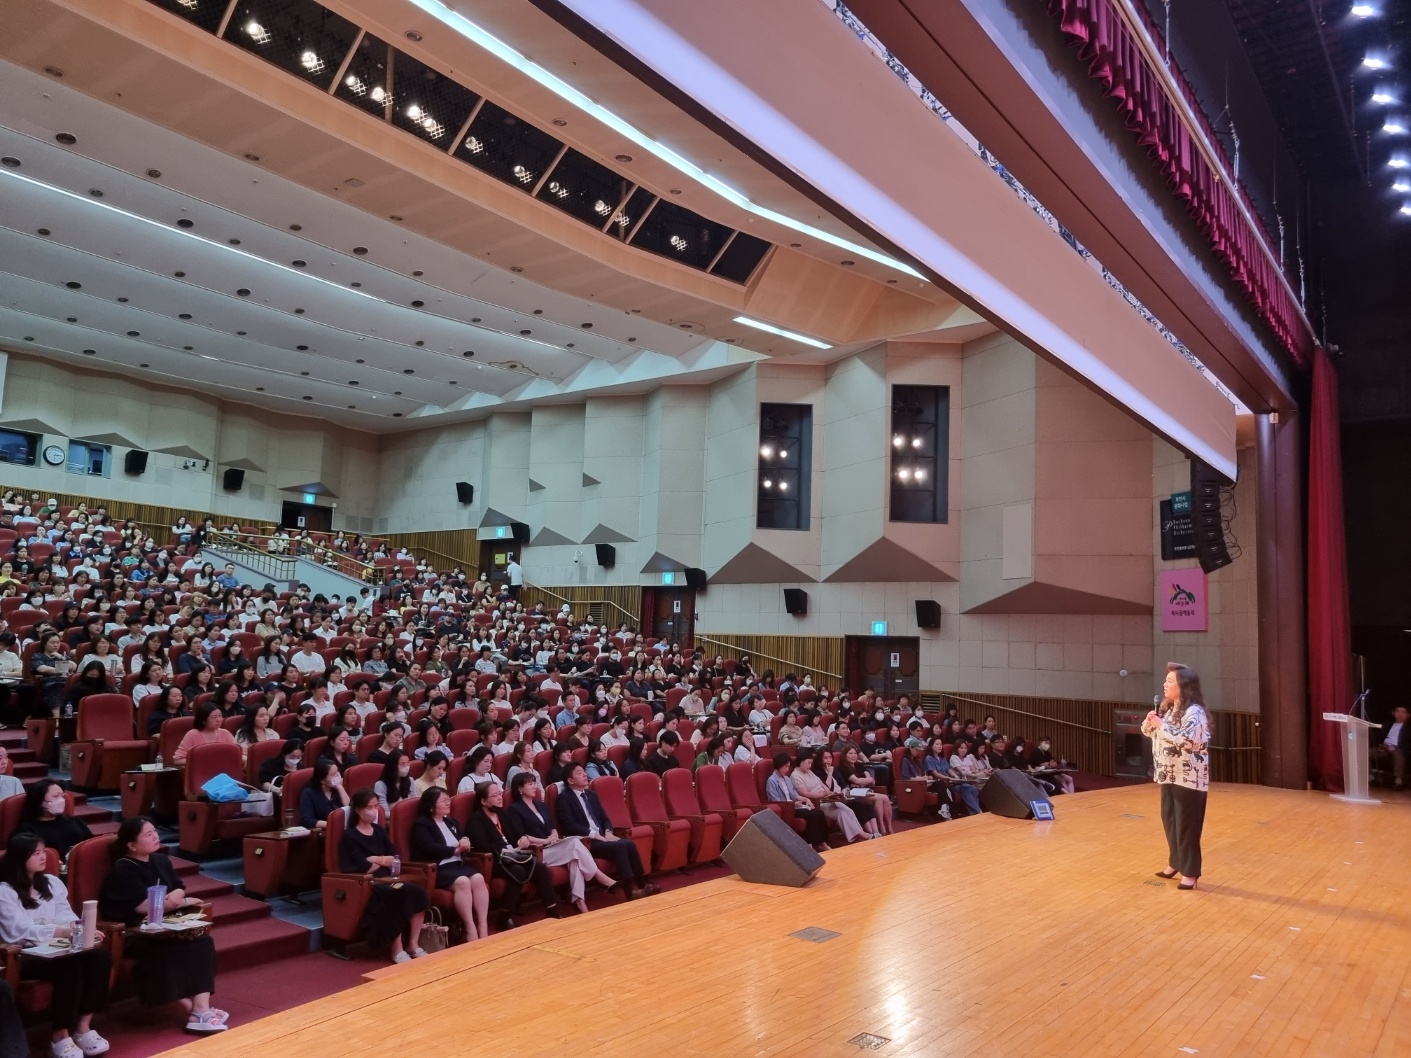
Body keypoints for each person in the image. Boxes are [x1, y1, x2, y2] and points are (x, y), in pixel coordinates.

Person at [98, 817, 226, 1033]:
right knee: (168, 949)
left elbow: (178, 886)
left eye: (155, 831)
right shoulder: (124, 868)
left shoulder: (161, 860)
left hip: (165, 927)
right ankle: (194, 1010)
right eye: (148, 834)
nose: (155, 836)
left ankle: (201, 1009)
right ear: (132, 845)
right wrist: (182, 902)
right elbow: (143, 907)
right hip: (134, 932)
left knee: (203, 941)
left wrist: (176, 897)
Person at [0, 833, 112, 1057]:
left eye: (44, 851)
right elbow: (18, 931)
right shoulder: (5, 891)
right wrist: (58, 930)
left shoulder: (51, 882)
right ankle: (60, 1035)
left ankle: (83, 1026)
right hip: (25, 954)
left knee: (100, 957)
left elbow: (65, 914)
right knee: (66, 967)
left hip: (57, 946)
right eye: (36, 853)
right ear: (20, 858)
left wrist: (80, 930)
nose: (43, 857)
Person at [502, 772, 616, 915]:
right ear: (520, 789)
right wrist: (545, 841)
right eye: (530, 784)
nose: (534, 787)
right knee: (574, 844)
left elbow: (552, 827)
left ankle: (580, 902)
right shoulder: (515, 809)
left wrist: (554, 835)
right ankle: (598, 876)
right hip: (537, 852)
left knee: (575, 856)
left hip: (553, 846)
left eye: (534, 783)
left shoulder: (541, 805)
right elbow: (521, 836)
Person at [339, 789, 429, 963]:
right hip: (370, 883)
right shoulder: (350, 836)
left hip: (390, 879)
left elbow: (394, 858)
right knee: (397, 895)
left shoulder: (379, 831)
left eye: (375, 806)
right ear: (358, 810)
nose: (373, 810)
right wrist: (381, 861)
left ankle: (413, 944)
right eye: (369, 807)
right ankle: (397, 949)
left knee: (418, 892)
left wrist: (376, 858)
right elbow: (363, 866)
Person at [1143, 662, 1211, 890]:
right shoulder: (1170, 709)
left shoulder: (1195, 713)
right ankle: (1175, 862)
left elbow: (1186, 740)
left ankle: (1190, 872)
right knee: (1170, 821)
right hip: (1168, 774)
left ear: (1184, 687)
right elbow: (1150, 732)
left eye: (1170, 681)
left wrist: (1161, 726)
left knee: (1186, 826)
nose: (1165, 684)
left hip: (1189, 777)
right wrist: (1151, 722)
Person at [464, 780, 560, 929]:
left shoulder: (503, 814)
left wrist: (521, 838)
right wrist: (502, 851)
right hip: (495, 859)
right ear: (483, 801)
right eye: (494, 795)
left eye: (500, 794)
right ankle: (505, 916)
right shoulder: (476, 819)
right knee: (517, 871)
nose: (500, 798)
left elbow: (517, 833)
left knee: (540, 868)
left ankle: (552, 909)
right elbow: (481, 844)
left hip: (514, 856)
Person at [555, 763, 659, 899]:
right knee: (620, 846)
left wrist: (608, 832)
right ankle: (630, 892)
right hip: (585, 842)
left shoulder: (591, 795)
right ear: (570, 780)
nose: (585, 774)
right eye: (579, 773)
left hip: (602, 838)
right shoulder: (564, 799)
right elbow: (570, 826)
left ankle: (641, 885)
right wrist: (596, 835)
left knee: (629, 843)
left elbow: (604, 818)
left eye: (583, 772)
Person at [408, 788, 490, 940]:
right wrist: (454, 850)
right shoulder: (421, 825)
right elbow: (428, 847)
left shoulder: (451, 821)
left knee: (478, 878)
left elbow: (462, 837)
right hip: (438, 868)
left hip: (457, 865)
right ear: (431, 806)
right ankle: (470, 927)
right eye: (443, 800)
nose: (448, 803)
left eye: (448, 799)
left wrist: (465, 840)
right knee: (463, 882)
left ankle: (483, 925)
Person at [791, 750, 870, 842]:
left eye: (811, 763)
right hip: (817, 801)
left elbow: (822, 784)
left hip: (826, 798)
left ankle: (860, 834)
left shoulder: (809, 772)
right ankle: (861, 835)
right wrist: (822, 794)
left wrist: (829, 793)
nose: (809, 766)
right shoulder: (795, 775)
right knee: (841, 813)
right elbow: (804, 793)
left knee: (848, 810)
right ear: (801, 761)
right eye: (808, 763)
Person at [764, 753, 830, 852]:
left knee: (819, 812)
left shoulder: (786, 778)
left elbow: (794, 795)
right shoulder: (772, 781)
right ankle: (809, 845)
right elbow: (775, 800)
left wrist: (806, 800)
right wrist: (793, 804)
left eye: (788, 767)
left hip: (794, 805)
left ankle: (822, 842)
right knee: (812, 815)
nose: (787, 769)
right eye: (785, 766)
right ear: (779, 765)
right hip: (787, 809)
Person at [15, 783, 93, 862]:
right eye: (56, 796)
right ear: (39, 800)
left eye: (62, 796)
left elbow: (91, 844)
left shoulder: (75, 821)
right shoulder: (26, 830)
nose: (61, 800)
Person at [172, 704, 237, 765]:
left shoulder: (225, 733)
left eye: (220, 716)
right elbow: (178, 760)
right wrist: (202, 762)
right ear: (203, 720)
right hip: (201, 772)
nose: (219, 720)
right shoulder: (192, 734)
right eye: (214, 717)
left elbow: (236, 754)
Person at [299, 760, 349, 831]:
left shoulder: (336, 789)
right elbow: (307, 820)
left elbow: (349, 809)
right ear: (322, 780)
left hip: (342, 829)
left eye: (337, 771)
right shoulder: (309, 793)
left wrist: (340, 788)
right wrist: (331, 824)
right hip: (324, 832)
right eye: (333, 774)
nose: (338, 775)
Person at [1375, 705, 1408, 790]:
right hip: (1384, 748)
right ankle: (1370, 778)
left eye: (1403, 712)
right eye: (1397, 711)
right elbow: (1379, 737)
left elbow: (1408, 743)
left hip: (1397, 749)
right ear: (1393, 713)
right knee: (1366, 752)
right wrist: (1380, 745)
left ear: (1408, 715)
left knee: (1398, 754)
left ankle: (1398, 782)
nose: (1400, 714)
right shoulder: (1387, 725)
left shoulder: (1408, 728)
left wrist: (1395, 747)